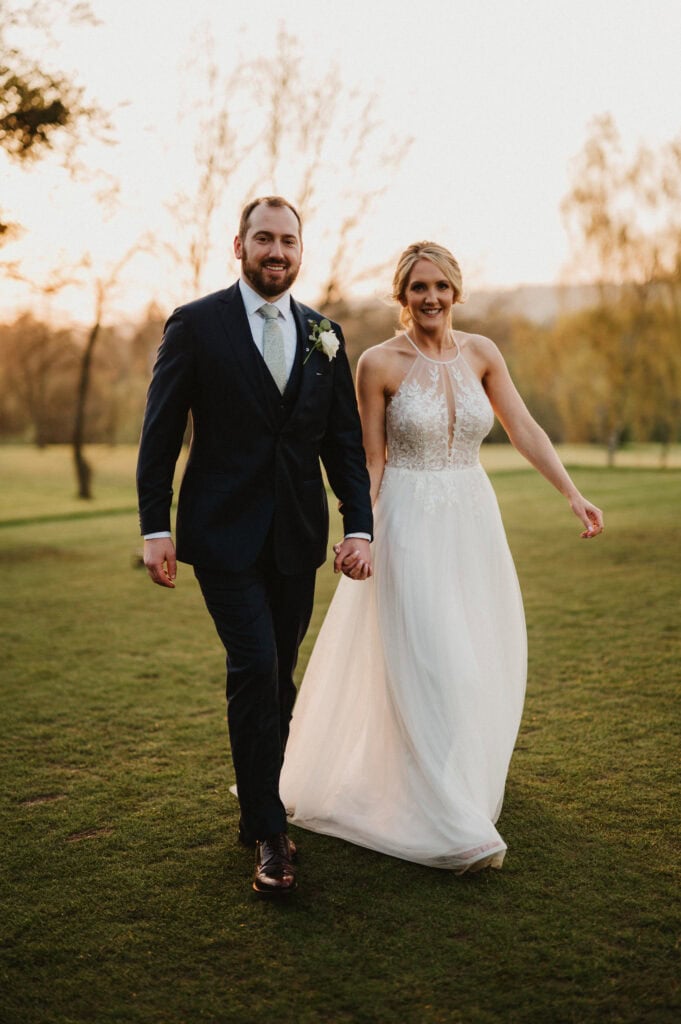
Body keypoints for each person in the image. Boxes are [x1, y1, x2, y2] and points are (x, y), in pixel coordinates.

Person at [280, 241, 604, 872]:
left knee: (478, 655)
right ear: (401, 296)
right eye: (418, 287)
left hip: (473, 522)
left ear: (456, 291)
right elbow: (368, 461)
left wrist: (572, 493)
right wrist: (360, 533)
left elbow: (524, 427)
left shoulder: (482, 353)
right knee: (434, 660)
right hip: (407, 524)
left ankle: (450, 779)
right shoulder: (377, 363)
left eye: (441, 287)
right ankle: (447, 815)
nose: (430, 298)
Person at [136, 196, 373, 896]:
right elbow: (160, 431)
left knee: (280, 673)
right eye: (263, 239)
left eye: (288, 241)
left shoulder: (323, 334)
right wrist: (156, 526)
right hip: (221, 533)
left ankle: (260, 800)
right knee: (255, 663)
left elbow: (342, 444)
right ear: (237, 245)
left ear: (302, 251)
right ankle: (270, 833)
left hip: (298, 537)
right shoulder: (195, 324)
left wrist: (356, 523)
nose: (277, 252)